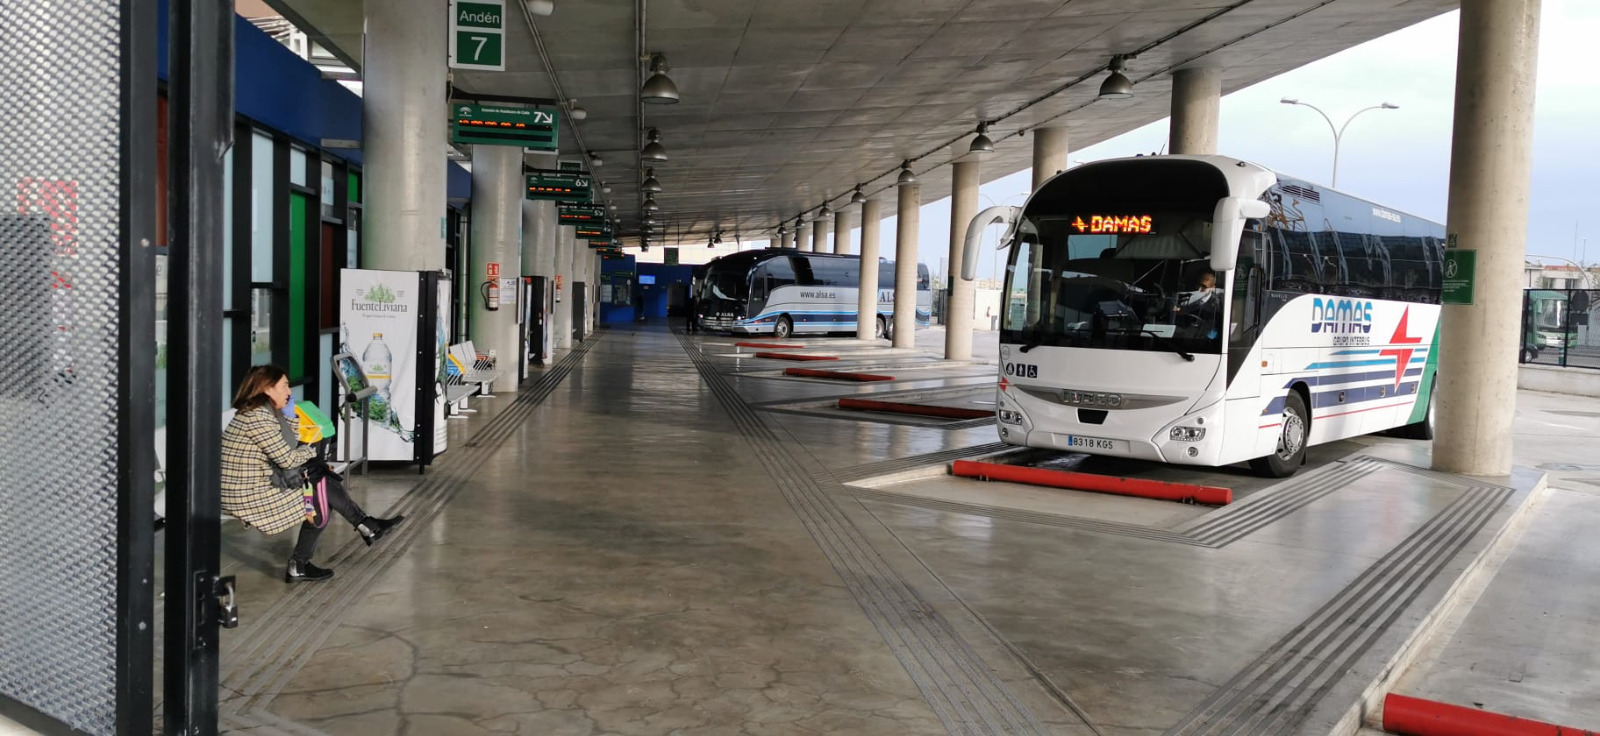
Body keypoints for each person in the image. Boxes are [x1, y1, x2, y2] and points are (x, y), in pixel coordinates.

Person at [221, 365, 403, 583]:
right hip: (247, 494)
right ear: (268, 389)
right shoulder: (258, 418)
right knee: (319, 494)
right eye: (284, 386)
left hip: (256, 483)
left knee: (318, 479)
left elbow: (288, 446)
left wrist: (290, 418)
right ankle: (306, 559)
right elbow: (288, 459)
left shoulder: (260, 413)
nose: (289, 392)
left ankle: (365, 526)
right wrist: (310, 450)